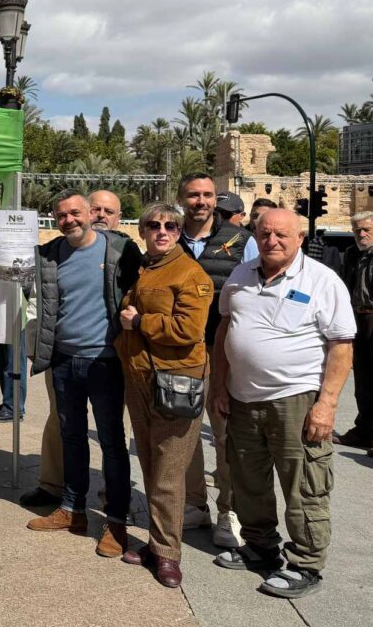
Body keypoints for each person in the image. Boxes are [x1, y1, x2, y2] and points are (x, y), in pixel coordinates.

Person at [211, 208, 354, 598]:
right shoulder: (241, 275)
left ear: (300, 238)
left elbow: (341, 345)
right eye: (264, 233)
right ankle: (260, 547)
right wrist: (220, 386)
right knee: (248, 480)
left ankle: (306, 564)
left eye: (281, 235)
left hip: (296, 400)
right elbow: (225, 330)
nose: (271, 240)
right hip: (243, 398)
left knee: (304, 486)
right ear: (254, 234)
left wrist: (327, 405)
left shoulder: (322, 280)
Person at [26, 189, 140, 559]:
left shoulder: (120, 250)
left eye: (75, 213)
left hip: (105, 362)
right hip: (64, 361)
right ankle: (72, 510)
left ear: (89, 213)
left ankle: (116, 521)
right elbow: (42, 304)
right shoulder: (49, 254)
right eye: (61, 215)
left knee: (112, 443)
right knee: (71, 437)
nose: (69, 220)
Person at [115, 203, 213, 588]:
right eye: (154, 225)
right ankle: (156, 543)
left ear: (179, 231)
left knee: (169, 471)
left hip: (177, 380)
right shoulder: (145, 267)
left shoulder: (190, 272)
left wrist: (141, 321)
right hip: (140, 378)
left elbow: (189, 329)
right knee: (152, 464)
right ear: (142, 231)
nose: (162, 231)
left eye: (171, 226)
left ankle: (168, 555)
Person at [178, 172, 257, 548]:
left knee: (226, 435)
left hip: (224, 352)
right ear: (182, 199)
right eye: (194, 194)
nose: (201, 201)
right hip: (182, 353)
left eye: (207, 195)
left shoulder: (243, 241)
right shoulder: (169, 236)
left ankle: (230, 511)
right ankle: (195, 504)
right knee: (184, 433)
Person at [336, 211, 373, 449]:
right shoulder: (352, 254)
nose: (361, 234)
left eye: (366, 229)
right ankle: (365, 431)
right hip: (357, 318)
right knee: (362, 378)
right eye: (357, 230)